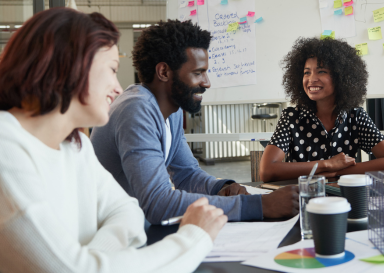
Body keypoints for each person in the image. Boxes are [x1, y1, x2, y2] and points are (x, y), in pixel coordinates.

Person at [0, 8, 227, 272]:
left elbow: (128, 211)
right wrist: (195, 238)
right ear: (70, 67)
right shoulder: (4, 147)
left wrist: (94, 258)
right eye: (111, 69)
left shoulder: (74, 146)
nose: (118, 88)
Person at [91, 20, 298, 225]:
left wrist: (222, 187)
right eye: (198, 73)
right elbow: (158, 204)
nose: (206, 82)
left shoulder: (171, 111)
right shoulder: (137, 109)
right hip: (110, 236)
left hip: (131, 227)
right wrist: (260, 206)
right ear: (164, 72)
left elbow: (186, 174)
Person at [259, 37, 384, 182]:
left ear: (342, 77)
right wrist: (327, 164)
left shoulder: (355, 116)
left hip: (344, 200)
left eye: (321, 71)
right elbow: (267, 171)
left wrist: (336, 173)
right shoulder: (292, 117)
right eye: (307, 72)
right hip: (303, 199)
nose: (311, 79)